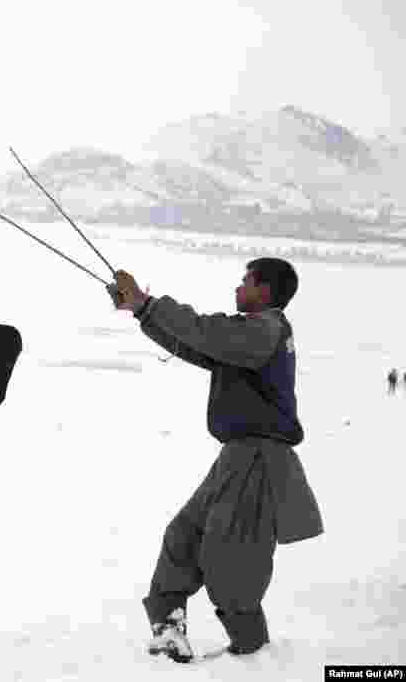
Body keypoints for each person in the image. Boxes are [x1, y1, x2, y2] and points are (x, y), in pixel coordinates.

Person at [108, 257, 323, 662]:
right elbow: (198, 344)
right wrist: (141, 310)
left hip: (259, 459)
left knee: (233, 558)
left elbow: (207, 332)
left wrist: (147, 302)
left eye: (245, 282)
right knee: (183, 537)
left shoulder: (266, 328)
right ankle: (169, 630)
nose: (237, 288)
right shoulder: (249, 336)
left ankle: (252, 654)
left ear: (265, 291)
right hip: (236, 456)